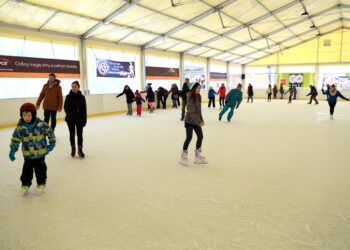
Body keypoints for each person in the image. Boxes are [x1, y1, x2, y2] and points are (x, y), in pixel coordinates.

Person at [9, 103, 56, 195]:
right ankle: (25, 184)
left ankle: (41, 183)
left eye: (29, 115)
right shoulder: (20, 127)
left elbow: (50, 132)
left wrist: (52, 142)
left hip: (40, 153)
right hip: (28, 154)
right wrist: (13, 149)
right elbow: (15, 138)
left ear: (33, 115)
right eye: (24, 115)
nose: (26, 117)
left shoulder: (41, 124)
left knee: (41, 169)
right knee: (27, 170)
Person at [180, 83, 207, 166]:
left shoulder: (198, 96)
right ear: (193, 88)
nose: (199, 90)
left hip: (196, 121)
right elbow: (191, 112)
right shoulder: (190, 97)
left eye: (199, 88)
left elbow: (199, 111)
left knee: (200, 136)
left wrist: (201, 120)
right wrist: (199, 121)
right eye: (197, 88)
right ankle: (183, 156)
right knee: (189, 137)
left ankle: (197, 156)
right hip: (189, 120)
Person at [64, 81, 87, 158]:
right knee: (72, 134)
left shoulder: (82, 97)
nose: (74, 88)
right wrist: (72, 116)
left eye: (75, 86)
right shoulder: (68, 97)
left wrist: (84, 120)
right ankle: (73, 149)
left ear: (78, 87)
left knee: (80, 135)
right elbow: (66, 108)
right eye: (72, 86)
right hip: (70, 119)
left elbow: (84, 109)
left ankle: (80, 150)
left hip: (80, 119)